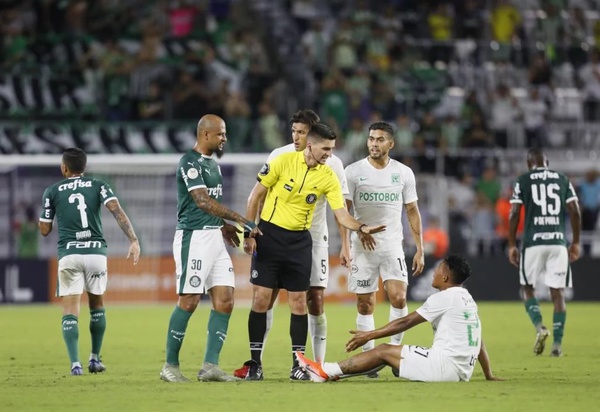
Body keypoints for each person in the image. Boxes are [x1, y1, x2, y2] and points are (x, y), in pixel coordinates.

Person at [241, 122, 385, 381]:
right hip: (269, 236)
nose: (329, 154)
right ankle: (254, 363)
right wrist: (249, 232)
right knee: (261, 300)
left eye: (332, 149)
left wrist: (361, 227)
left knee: (298, 302)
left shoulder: (328, 175)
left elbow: (341, 214)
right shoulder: (282, 161)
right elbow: (255, 197)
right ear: (311, 145)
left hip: (299, 242)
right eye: (325, 149)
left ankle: (298, 364)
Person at [234, 110, 349, 379]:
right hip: (274, 233)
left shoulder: (333, 163)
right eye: (294, 131)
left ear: (313, 135)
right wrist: (254, 229)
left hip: (312, 237)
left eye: (302, 132)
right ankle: (256, 362)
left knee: (313, 299)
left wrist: (346, 243)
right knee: (266, 297)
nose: (296, 136)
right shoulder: (280, 156)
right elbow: (260, 195)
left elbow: (341, 208)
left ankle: (312, 363)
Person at [159, 114, 260, 383]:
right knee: (189, 301)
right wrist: (240, 219)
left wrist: (224, 225)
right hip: (194, 239)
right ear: (205, 135)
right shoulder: (189, 162)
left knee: (226, 300)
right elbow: (201, 201)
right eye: (221, 134)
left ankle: (210, 366)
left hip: (215, 237)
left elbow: (211, 205)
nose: (225, 138)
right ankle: (170, 365)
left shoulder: (213, 165)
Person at [295, 255, 500, 383]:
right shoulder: (467, 299)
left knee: (384, 350)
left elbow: (405, 323)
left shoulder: (443, 298)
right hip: (462, 371)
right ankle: (332, 373)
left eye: (439, 269)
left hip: (444, 367)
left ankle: (322, 371)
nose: (435, 273)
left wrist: (369, 335)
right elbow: (478, 340)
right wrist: (488, 374)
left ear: (445, 278)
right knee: (390, 356)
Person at [39, 148, 141, 376]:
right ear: (84, 168)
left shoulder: (52, 191)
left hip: (69, 254)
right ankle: (94, 359)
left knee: (70, 310)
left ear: (64, 167)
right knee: (97, 306)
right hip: (96, 253)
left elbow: (44, 230)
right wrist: (133, 240)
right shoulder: (99, 185)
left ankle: (75, 364)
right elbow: (118, 212)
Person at [344, 121, 425, 378]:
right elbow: (342, 211)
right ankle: (370, 360)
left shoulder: (403, 173)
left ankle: (392, 354)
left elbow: (412, 210)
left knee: (399, 297)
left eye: (379, 139)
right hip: (362, 247)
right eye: (371, 139)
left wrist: (420, 248)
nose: (373, 143)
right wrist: (352, 237)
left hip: (392, 246)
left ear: (391, 143)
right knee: (365, 304)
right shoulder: (353, 172)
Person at [508, 148, 581, 357]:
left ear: (529, 163)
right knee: (558, 294)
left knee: (527, 287)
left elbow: (514, 213)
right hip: (557, 242)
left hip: (533, 243)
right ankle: (557, 345)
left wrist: (512, 244)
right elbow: (575, 211)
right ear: (547, 162)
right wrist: (575, 242)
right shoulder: (562, 180)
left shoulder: (523, 180)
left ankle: (540, 327)